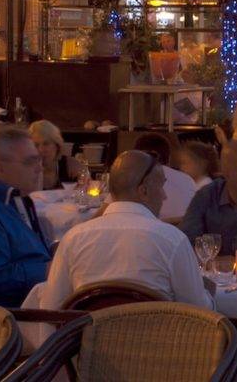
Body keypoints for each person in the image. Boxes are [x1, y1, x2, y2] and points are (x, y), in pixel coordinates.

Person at [39, 150, 212, 309]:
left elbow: (51, 308)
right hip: (156, 341)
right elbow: (198, 309)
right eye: (160, 187)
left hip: (89, 341)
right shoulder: (172, 240)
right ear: (143, 191)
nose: (164, 196)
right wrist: (208, 292)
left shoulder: (74, 238)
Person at [0, 125, 50, 307]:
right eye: (29, 162)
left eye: (39, 161)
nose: (39, 169)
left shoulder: (19, 199)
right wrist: (49, 269)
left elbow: (29, 254)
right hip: (13, 322)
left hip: (39, 302)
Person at [133, 133, 197, 221]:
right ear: (169, 158)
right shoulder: (188, 180)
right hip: (183, 231)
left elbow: (108, 213)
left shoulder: (132, 177)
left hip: (147, 230)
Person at [29, 120, 79, 190]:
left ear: (57, 146)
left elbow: (88, 192)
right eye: (36, 145)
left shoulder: (70, 165)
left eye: (46, 144)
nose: (40, 150)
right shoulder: (26, 169)